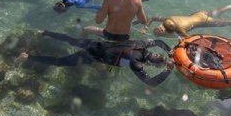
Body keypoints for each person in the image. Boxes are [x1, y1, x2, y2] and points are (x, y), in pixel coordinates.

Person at [20, 30, 174, 87]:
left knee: (70, 39)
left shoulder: (141, 43)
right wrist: (167, 71)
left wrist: (169, 51)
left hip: (95, 43)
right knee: (60, 62)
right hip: (90, 56)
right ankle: (27, 57)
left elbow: (158, 41)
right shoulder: (136, 64)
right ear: (149, 63)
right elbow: (151, 82)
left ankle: (44, 32)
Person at [151, 3, 231, 37]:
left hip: (204, 21)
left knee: (229, 22)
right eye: (159, 29)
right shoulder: (168, 19)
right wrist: (146, 25)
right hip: (198, 13)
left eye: (159, 30)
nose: (160, 28)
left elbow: (189, 39)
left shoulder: (179, 31)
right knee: (219, 11)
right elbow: (153, 17)